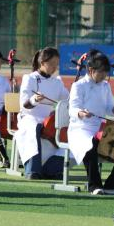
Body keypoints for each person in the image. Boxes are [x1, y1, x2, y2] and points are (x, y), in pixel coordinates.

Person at [68, 52, 114, 195]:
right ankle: (94, 185)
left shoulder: (105, 86)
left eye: (106, 72)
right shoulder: (78, 86)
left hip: (101, 128)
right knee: (90, 145)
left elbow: (109, 108)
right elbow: (72, 109)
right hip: (81, 129)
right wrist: (81, 113)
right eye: (101, 71)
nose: (104, 75)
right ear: (91, 70)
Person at [14, 47, 68, 179]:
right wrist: (34, 99)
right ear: (42, 62)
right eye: (52, 64)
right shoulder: (30, 78)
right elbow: (24, 104)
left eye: (56, 64)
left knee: (70, 131)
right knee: (33, 128)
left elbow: (68, 99)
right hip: (29, 116)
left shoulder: (57, 82)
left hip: (48, 118)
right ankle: (33, 170)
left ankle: (52, 169)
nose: (55, 67)